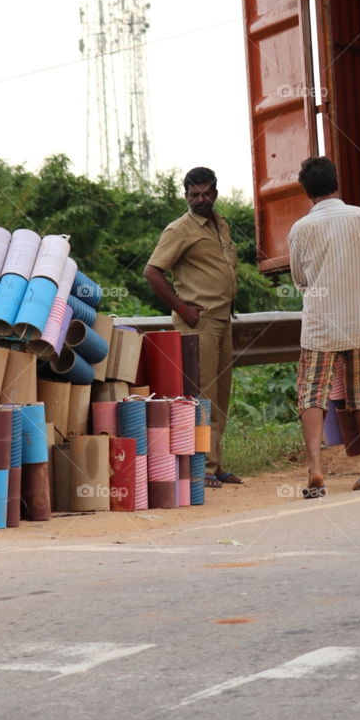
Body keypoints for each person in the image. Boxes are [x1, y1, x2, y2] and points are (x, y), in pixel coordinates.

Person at [289, 156, 360, 498]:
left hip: (320, 326)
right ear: (337, 183)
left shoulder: (300, 229)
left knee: (312, 393)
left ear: (307, 191)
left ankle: (315, 468)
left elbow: (300, 279)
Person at [144, 166, 241, 487]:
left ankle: (216, 463)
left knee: (221, 395)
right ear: (185, 196)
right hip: (198, 322)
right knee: (201, 395)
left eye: (206, 193)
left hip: (223, 319)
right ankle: (200, 469)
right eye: (193, 194)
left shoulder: (220, 223)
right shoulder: (179, 229)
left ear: (215, 192)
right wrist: (182, 308)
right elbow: (152, 272)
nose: (200, 199)